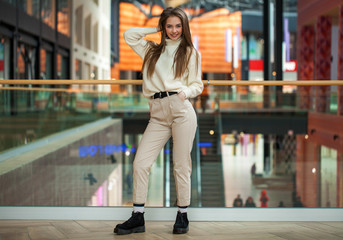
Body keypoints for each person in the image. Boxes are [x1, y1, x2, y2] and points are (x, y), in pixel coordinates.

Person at [113, 7, 203, 235]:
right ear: (164, 27)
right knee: (140, 163)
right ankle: (138, 216)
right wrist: (157, 27)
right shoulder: (151, 51)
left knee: (181, 165)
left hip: (181, 110)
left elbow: (197, 84)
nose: (174, 31)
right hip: (157, 113)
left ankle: (183, 215)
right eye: (169, 26)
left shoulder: (191, 52)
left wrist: (185, 92)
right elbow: (129, 35)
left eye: (178, 26)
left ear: (184, 27)